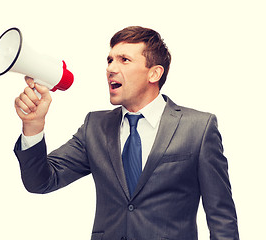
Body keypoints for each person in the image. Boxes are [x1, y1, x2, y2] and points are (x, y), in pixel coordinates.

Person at [14, 26, 239, 240]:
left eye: (124, 60)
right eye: (110, 60)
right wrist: (33, 126)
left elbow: (221, 217)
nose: (111, 68)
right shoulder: (95, 126)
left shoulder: (199, 127)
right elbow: (41, 182)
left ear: (154, 74)